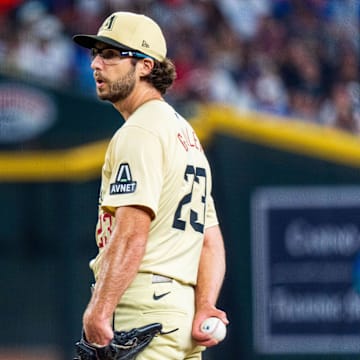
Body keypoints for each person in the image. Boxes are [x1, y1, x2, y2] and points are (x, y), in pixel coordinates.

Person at [73, 11, 228, 359]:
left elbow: (131, 234)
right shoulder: (185, 133)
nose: (97, 64)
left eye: (111, 55)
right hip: (179, 315)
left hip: (143, 310)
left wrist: (99, 309)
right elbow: (210, 243)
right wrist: (204, 305)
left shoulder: (140, 131)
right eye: (96, 54)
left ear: (145, 65)